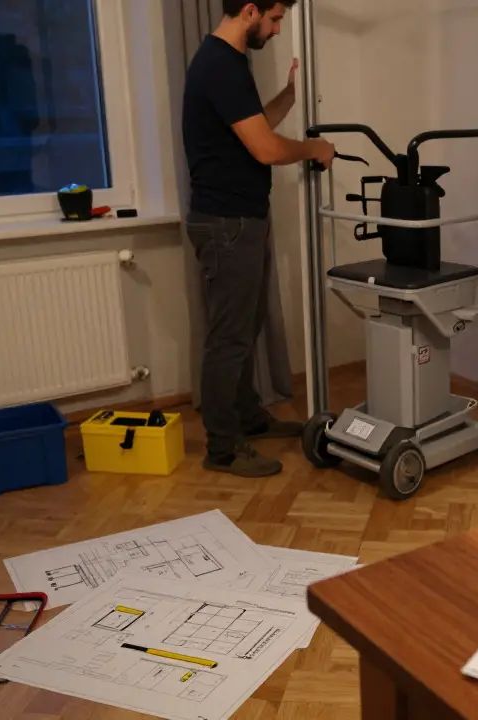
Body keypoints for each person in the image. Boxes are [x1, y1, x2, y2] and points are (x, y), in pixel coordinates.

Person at [183, 0, 336, 477]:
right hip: (227, 224)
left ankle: (247, 417)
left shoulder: (228, 63)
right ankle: (223, 448)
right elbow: (266, 149)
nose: (275, 30)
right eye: (274, 19)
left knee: (244, 329)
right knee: (228, 338)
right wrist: (313, 148)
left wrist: (289, 96)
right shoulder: (220, 66)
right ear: (250, 11)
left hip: (239, 220)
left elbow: (252, 128)